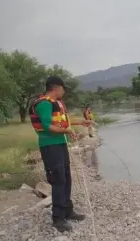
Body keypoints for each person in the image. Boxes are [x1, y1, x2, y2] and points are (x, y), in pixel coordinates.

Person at [29, 75, 94, 232]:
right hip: (50, 146)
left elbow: (64, 120)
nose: (64, 91)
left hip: (60, 144)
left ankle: (67, 210)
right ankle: (58, 218)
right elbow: (47, 126)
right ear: (57, 88)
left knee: (66, 177)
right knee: (58, 179)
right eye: (63, 88)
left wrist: (80, 122)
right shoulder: (44, 104)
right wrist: (67, 130)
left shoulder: (56, 103)